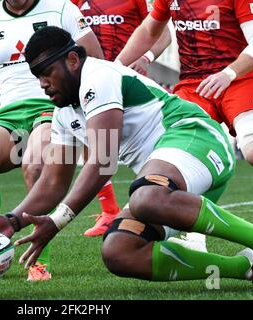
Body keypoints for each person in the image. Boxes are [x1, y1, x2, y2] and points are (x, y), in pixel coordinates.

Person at [0, 26, 253, 290]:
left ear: (73, 60)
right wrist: (13, 221)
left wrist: (58, 221)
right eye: (37, 76)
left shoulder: (97, 77)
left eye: (47, 72)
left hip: (197, 138)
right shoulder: (63, 115)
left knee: (145, 196)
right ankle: (250, 268)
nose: (43, 83)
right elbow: (54, 181)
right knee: (119, 252)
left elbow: (102, 161)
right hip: (171, 190)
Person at [0, 0, 103, 281]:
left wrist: (85, 112)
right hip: (10, 114)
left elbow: (95, 60)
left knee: (36, 164)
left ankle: (39, 263)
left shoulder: (62, 9)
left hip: (53, 107)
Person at [115, 0, 253, 249]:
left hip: (240, 79)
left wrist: (228, 73)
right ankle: (193, 237)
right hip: (193, 86)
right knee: (176, 159)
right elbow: (149, 29)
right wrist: (115, 69)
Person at [71, 0, 172, 237]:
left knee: (151, 142)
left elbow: (163, 34)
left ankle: (168, 199)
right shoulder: (75, 3)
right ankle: (109, 211)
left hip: (128, 79)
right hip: (91, 83)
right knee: (89, 141)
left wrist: (146, 57)